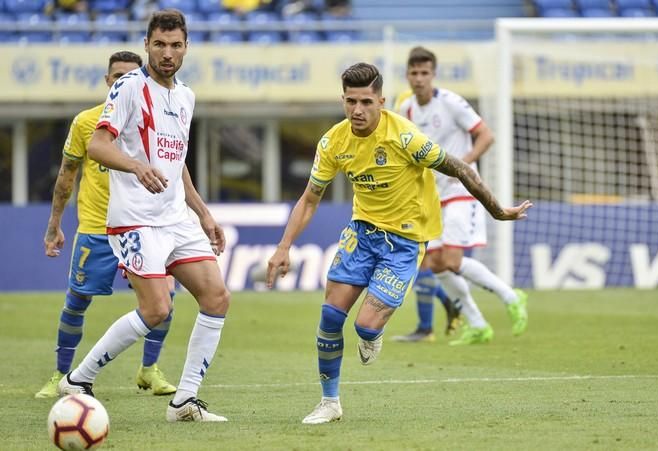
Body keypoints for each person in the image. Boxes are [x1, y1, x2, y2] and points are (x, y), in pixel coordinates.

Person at [266, 62, 532, 424]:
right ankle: (330, 403)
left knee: (365, 327)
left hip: (404, 241)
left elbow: (462, 169)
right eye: (350, 102)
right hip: (361, 233)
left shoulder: (405, 137)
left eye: (365, 102)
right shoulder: (333, 141)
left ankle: (373, 332)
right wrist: (284, 246)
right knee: (329, 316)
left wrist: (498, 210)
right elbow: (310, 199)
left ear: (381, 101)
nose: (357, 110)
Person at [57, 9, 230, 423]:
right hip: (135, 219)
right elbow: (98, 146)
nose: (167, 53)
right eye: (159, 45)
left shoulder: (186, 95)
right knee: (156, 310)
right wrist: (136, 166)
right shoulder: (130, 88)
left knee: (217, 298)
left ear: (186, 47)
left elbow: (177, 163)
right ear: (147, 45)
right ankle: (78, 380)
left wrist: (203, 213)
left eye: (175, 45)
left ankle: (184, 402)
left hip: (175, 219)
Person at [35, 51, 177, 399]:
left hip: (142, 226)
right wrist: (54, 224)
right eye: (117, 77)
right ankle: (61, 374)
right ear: (107, 81)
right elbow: (67, 175)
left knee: (166, 299)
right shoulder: (86, 123)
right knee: (77, 301)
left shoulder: (155, 119)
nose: (123, 83)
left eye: (131, 76)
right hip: (97, 229)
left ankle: (149, 370)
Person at [394, 47, 528, 346]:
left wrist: (463, 165)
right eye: (414, 73)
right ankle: (478, 324)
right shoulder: (407, 111)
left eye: (424, 73)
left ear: (433, 74)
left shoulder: (452, 103)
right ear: (408, 76)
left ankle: (510, 295)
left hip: (460, 191)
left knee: (452, 260)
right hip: (432, 195)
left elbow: (486, 135)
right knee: (434, 263)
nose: (419, 79)